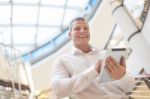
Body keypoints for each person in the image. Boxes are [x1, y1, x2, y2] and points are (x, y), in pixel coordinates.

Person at [51, 17, 135, 99]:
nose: (83, 31)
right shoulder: (62, 60)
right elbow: (58, 90)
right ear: (70, 34)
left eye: (86, 28)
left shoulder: (105, 54)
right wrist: (93, 71)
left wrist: (121, 76)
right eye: (77, 28)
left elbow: (130, 87)